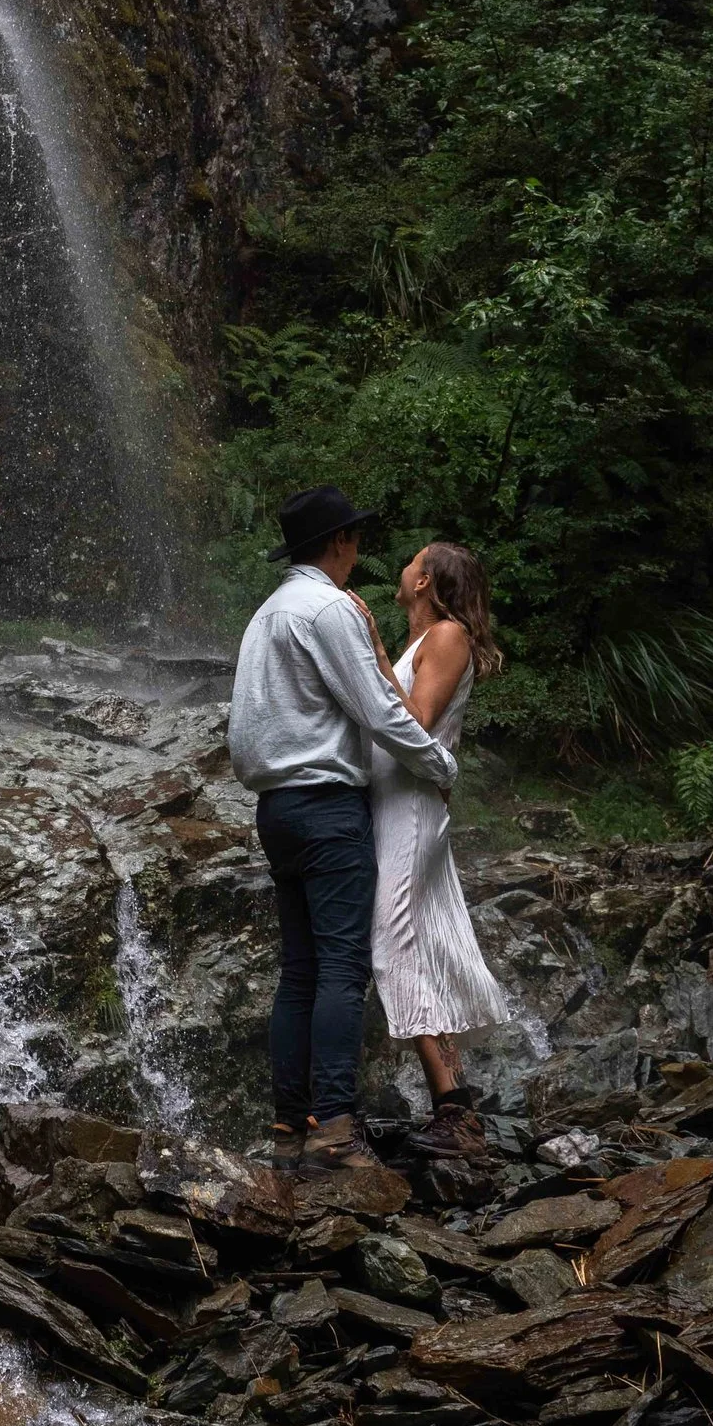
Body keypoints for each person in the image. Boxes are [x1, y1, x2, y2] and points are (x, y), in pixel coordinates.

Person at [226, 484, 457, 1166]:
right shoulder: (328, 609)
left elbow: (244, 730)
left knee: (299, 970)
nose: (358, 551)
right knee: (341, 969)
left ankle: (287, 1121)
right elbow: (382, 712)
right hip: (327, 806)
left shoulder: (267, 614)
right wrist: (440, 765)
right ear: (337, 544)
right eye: (353, 538)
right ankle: (333, 1122)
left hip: (276, 809)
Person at [369, 539, 515, 1164]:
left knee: (393, 939)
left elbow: (417, 721)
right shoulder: (426, 641)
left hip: (411, 807)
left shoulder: (447, 636)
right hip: (397, 805)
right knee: (421, 939)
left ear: (425, 580)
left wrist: (370, 653)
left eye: (410, 560)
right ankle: (456, 1108)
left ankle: (453, 1110)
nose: (400, 566)